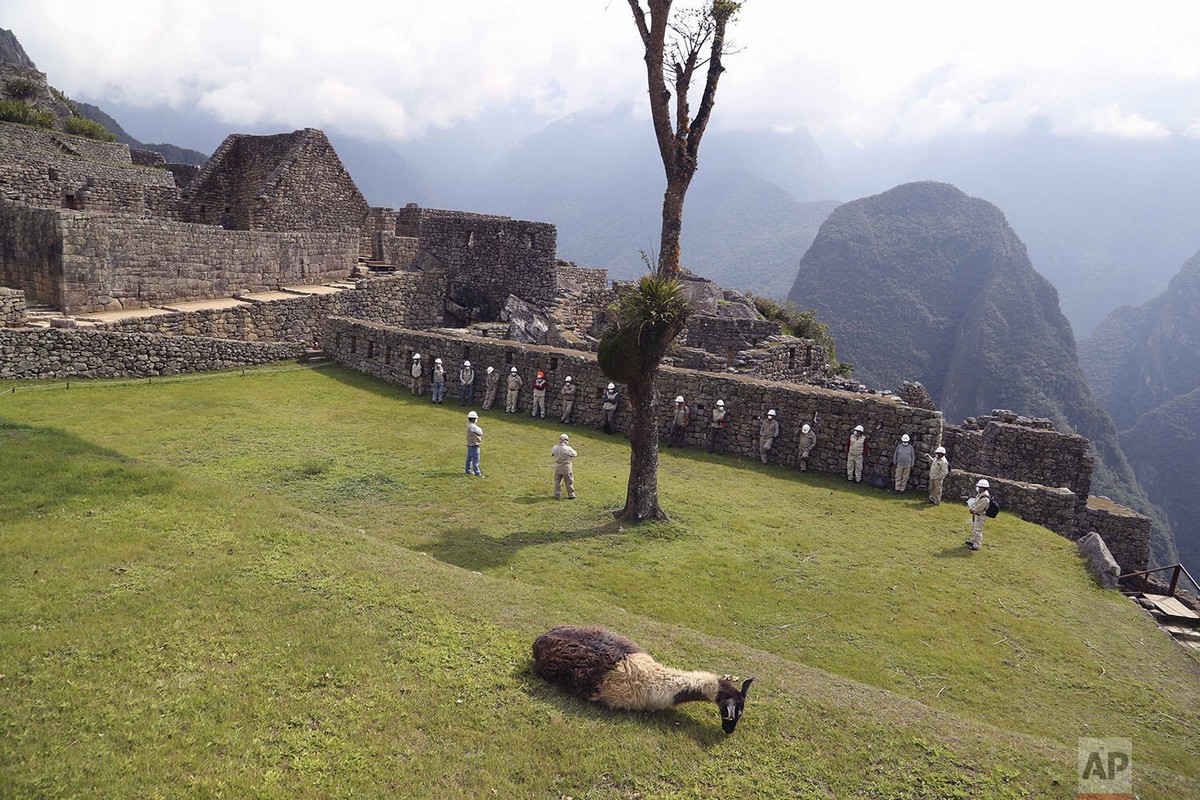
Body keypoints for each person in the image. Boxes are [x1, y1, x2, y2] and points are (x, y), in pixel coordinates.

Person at [551, 433, 578, 499]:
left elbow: (552, 454)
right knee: (569, 481)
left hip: (557, 467)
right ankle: (571, 495)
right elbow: (575, 454)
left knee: (557, 481)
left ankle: (557, 494)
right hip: (566, 467)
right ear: (566, 440)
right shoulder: (568, 449)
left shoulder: (555, 447)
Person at [967, 478, 990, 550]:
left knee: (978, 530)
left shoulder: (985, 498)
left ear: (984, 488)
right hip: (976, 515)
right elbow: (976, 503)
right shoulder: (980, 494)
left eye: (980, 487)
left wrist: (972, 510)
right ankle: (973, 541)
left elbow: (979, 508)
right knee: (974, 528)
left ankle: (977, 545)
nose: (978, 488)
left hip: (980, 516)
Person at [465, 411, 483, 476]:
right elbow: (480, 432)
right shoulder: (473, 427)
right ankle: (477, 473)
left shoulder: (468, 425)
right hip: (474, 444)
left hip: (469, 444)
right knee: (476, 459)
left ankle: (468, 470)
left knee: (469, 458)